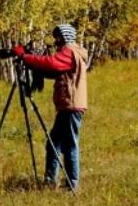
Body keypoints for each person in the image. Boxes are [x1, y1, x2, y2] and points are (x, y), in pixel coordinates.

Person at [13, 24, 88, 190]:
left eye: (58, 37)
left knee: (69, 146)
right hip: (67, 105)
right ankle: (50, 181)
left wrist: (26, 57)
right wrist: (32, 62)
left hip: (72, 105)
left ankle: (71, 185)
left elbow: (51, 64)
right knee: (53, 143)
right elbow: (53, 71)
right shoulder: (71, 52)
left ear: (65, 37)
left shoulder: (70, 51)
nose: (56, 41)